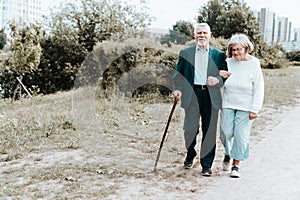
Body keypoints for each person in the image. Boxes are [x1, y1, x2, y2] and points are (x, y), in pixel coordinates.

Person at [173, 23, 228, 176]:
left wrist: (217, 80)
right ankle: (191, 153)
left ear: (210, 35)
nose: (202, 35)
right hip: (192, 95)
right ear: (194, 35)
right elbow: (179, 75)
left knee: (209, 131)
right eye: (199, 33)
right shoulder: (185, 53)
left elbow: (225, 76)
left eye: (205, 33)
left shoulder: (219, 54)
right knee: (189, 130)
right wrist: (178, 89)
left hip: (211, 96)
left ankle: (206, 165)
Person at [219, 33, 264, 178]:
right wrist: (219, 74)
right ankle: (228, 152)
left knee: (240, 135)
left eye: (238, 49)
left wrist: (255, 109)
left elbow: (259, 87)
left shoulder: (254, 63)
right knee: (226, 132)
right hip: (228, 102)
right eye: (232, 49)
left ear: (246, 48)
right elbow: (219, 79)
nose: (235, 53)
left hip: (246, 106)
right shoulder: (228, 62)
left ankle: (235, 165)